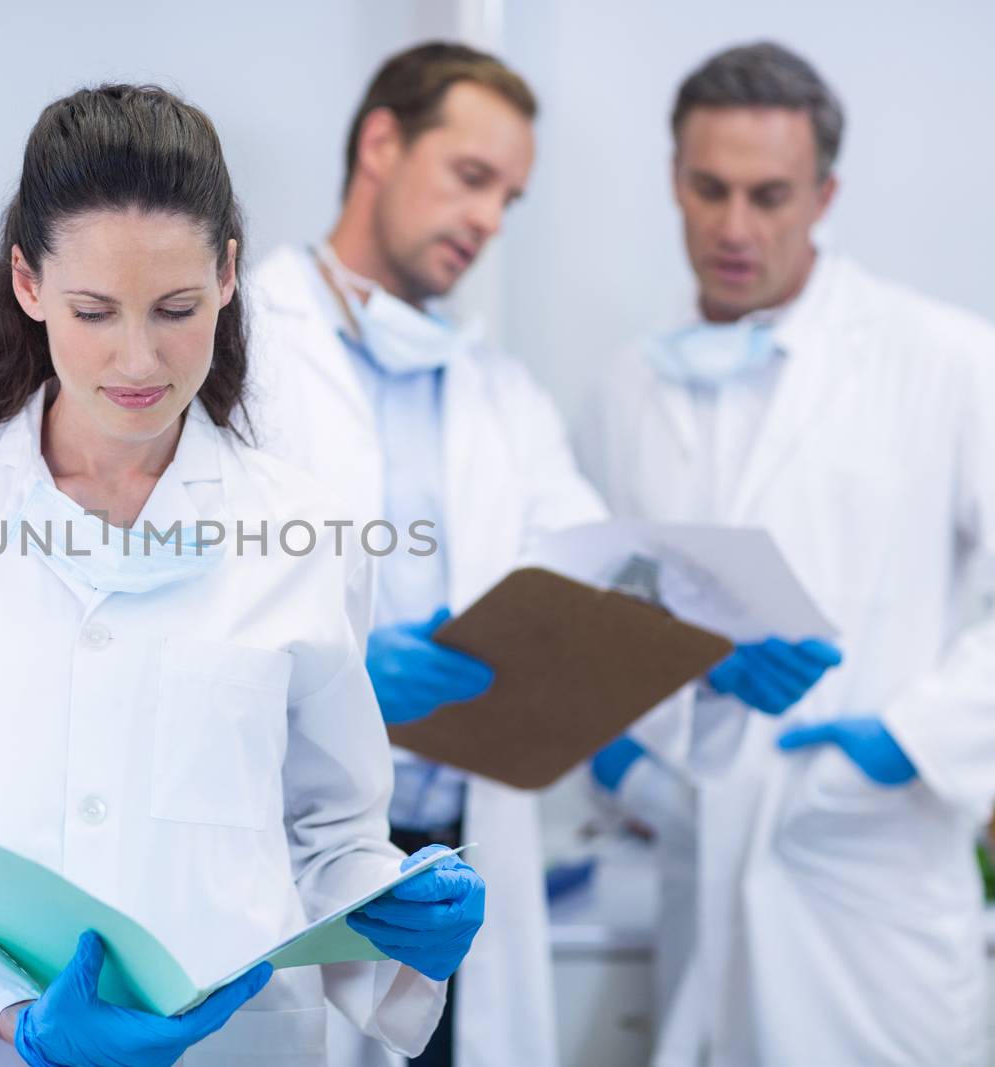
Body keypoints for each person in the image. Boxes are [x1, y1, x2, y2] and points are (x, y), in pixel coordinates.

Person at [0, 84, 485, 1067]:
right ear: (27, 283)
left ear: (229, 275)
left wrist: (401, 912)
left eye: (176, 308)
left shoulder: (304, 530)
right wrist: (7, 1029)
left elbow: (326, 834)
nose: (138, 358)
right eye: (94, 311)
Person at [579, 42, 995, 1066]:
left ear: (824, 195)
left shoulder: (944, 359)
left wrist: (907, 738)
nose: (734, 229)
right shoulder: (625, 389)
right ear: (673, 178)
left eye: (769, 195)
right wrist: (621, 757)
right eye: (708, 189)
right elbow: (600, 603)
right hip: (698, 861)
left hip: (869, 870)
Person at [246, 42, 603, 1067]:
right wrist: (345, 680)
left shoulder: (500, 392)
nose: (489, 219)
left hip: (451, 870)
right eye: (471, 176)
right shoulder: (238, 354)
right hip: (290, 857)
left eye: (510, 197)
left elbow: (584, 571)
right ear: (380, 143)